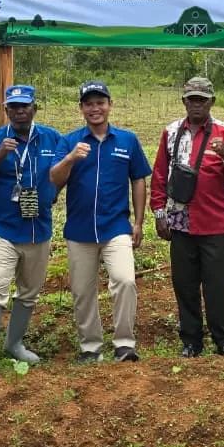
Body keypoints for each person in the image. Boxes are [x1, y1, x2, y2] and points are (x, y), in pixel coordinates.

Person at [49, 81, 152, 363]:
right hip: (79, 229)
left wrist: (139, 222)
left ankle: (124, 344)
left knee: (125, 281)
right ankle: (91, 347)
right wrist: (71, 158)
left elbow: (138, 179)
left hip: (116, 226)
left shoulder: (127, 140)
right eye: (89, 103)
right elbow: (54, 179)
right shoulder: (69, 141)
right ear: (81, 108)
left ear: (109, 105)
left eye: (100, 102)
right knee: (83, 291)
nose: (95, 108)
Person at [150, 77, 224, 358]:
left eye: (202, 100)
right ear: (184, 101)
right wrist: (159, 213)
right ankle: (191, 340)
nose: (196, 104)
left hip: (215, 223)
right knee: (185, 285)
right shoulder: (170, 132)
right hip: (180, 223)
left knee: (219, 285)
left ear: (211, 102)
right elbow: (159, 175)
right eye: (191, 99)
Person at [0, 85, 63, 373]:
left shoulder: (51, 137)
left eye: (25, 105)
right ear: (6, 110)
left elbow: (63, 171)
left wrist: (52, 192)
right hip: (3, 228)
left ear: (34, 108)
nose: (19, 110)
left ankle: (14, 345)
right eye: (13, 106)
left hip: (38, 228)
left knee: (29, 292)